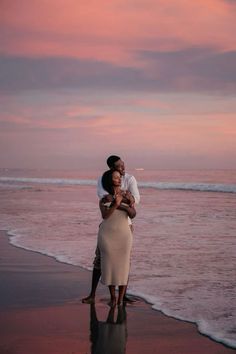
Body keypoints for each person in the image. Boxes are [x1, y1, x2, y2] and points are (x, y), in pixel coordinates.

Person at [82, 156, 140, 304]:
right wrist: (122, 201)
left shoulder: (130, 179)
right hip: (108, 228)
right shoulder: (104, 178)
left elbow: (136, 200)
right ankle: (93, 294)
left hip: (125, 225)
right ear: (111, 168)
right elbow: (105, 198)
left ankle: (122, 296)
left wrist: (122, 201)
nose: (122, 169)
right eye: (119, 167)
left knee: (124, 261)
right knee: (100, 260)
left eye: (123, 165)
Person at [98, 169, 136, 306]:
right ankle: (113, 298)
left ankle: (120, 299)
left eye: (120, 177)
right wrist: (115, 203)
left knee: (123, 267)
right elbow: (105, 215)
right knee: (109, 266)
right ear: (110, 180)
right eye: (115, 178)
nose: (119, 179)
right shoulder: (104, 198)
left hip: (124, 235)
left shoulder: (127, 195)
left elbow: (133, 214)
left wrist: (121, 205)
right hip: (107, 235)